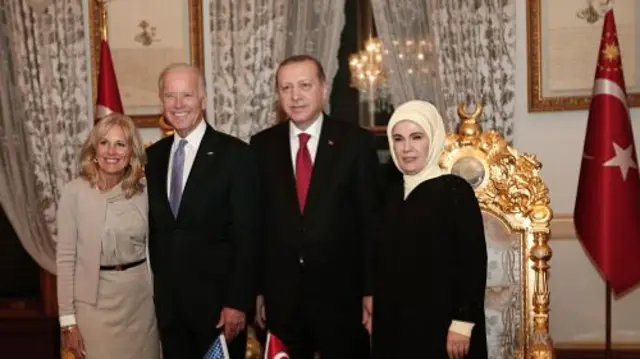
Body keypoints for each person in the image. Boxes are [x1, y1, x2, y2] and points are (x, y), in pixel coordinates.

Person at [250, 54, 380, 359]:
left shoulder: (355, 143)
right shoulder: (261, 146)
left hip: (343, 297)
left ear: (323, 88)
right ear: (278, 95)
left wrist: (371, 290)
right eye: (286, 88)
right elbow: (257, 224)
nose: (295, 96)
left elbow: (371, 223)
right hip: (282, 298)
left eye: (304, 85)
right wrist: (258, 290)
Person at [145, 62, 260, 359]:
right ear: (162, 101)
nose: (178, 104)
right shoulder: (152, 158)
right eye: (170, 96)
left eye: (187, 95)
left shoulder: (236, 156)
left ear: (204, 99)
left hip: (218, 312)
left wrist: (237, 302)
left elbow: (247, 236)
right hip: (169, 312)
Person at [371, 100, 488, 359]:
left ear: (433, 139)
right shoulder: (388, 193)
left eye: (416, 137)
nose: (407, 148)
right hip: (394, 326)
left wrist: (463, 324)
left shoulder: (454, 191)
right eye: (398, 139)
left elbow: (473, 262)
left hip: (444, 329)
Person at [55, 113, 160, 359]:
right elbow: (66, 259)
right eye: (104, 143)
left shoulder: (145, 191)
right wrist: (68, 321)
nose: (111, 151)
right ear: (94, 149)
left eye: (120, 144)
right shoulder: (74, 193)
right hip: (93, 307)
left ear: (131, 152)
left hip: (141, 305)